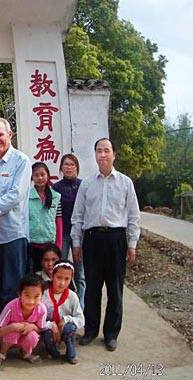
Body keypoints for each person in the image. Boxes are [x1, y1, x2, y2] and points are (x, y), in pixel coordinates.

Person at [71, 138, 140, 352]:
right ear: (95, 155)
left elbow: (133, 216)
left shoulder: (125, 182)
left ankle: (111, 334)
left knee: (115, 289)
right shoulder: (87, 184)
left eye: (106, 151)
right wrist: (76, 242)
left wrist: (132, 243)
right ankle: (90, 330)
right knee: (92, 288)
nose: (102, 155)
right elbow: (78, 215)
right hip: (92, 240)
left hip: (116, 240)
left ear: (114, 154)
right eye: (99, 151)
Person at [0, 117, 31, 320]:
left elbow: (15, 196)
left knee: (11, 288)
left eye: (0, 134)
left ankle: (13, 332)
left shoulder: (22, 161)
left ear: (10, 135)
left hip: (13, 235)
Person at [0, 274, 46, 369]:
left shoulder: (42, 309)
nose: (31, 301)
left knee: (33, 336)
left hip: (24, 337)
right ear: (19, 293)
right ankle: (2, 353)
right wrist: (12, 327)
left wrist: (32, 327)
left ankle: (24, 353)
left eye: (36, 296)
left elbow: (40, 328)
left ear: (42, 296)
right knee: (14, 330)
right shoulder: (11, 307)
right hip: (5, 339)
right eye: (27, 295)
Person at [53, 154, 85, 308]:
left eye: (72, 164)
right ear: (61, 168)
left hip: (80, 233)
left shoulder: (83, 185)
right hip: (63, 233)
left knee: (80, 274)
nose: (69, 167)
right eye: (66, 164)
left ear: (77, 167)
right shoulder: (56, 188)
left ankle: (82, 308)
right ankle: (63, 306)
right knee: (60, 270)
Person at [41, 260, 84, 365]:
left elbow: (81, 319)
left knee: (69, 329)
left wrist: (66, 319)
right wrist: (51, 325)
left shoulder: (72, 296)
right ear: (52, 276)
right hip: (49, 327)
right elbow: (39, 318)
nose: (62, 283)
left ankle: (70, 351)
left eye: (67, 279)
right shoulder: (44, 295)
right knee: (47, 334)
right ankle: (52, 351)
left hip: (65, 327)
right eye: (59, 278)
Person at [28, 162, 62, 273]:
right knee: (34, 276)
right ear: (32, 177)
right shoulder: (26, 197)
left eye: (42, 174)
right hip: (32, 245)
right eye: (36, 175)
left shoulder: (56, 196)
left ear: (48, 175)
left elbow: (59, 221)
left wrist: (58, 245)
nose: (40, 178)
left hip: (49, 245)